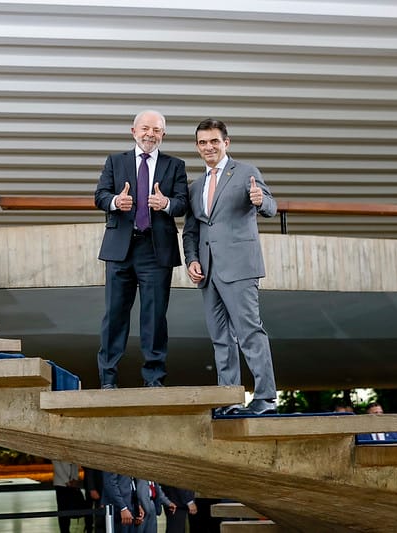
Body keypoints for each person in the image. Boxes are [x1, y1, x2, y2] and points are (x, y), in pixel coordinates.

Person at [182, 117, 277, 415]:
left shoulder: (247, 172)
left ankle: (266, 397)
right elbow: (191, 231)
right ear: (197, 147)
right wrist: (192, 259)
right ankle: (230, 399)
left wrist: (260, 200)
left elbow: (271, 207)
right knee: (221, 339)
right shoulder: (195, 187)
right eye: (202, 142)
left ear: (226, 143)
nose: (208, 147)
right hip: (208, 271)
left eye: (214, 141)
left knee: (249, 332)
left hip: (239, 268)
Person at [94, 110, 189, 389]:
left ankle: (154, 378)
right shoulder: (115, 161)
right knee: (114, 315)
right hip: (120, 249)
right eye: (145, 128)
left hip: (155, 249)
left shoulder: (175, 165)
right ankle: (108, 379)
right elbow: (100, 196)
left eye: (156, 130)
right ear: (133, 131)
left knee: (154, 316)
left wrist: (166, 204)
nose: (150, 134)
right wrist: (115, 202)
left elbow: (183, 203)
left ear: (163, 135)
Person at [53, 460, 88, 533]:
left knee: (71, 507)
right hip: (60, 484)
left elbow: (75, 464)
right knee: (62, 510)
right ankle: (64, 531)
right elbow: (57, 466)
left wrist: (75, 479)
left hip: (72, 483)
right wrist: (66, 481)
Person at [84, 467, 105, 533]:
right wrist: (92, 488)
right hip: (99, 490)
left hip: (110, 489)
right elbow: (90, 470)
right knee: (100, 519)